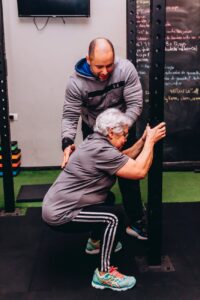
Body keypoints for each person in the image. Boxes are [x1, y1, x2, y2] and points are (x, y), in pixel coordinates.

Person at [42, 108, 166, 291]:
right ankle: (104, 274)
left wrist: (142, 140)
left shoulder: (95, 141)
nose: (125, 138)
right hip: (60, 213)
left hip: (57, 204)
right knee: (113, 218)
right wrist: (151, 142)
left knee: (107, 197)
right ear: (110, 133)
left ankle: (95, 242)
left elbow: (122, 158)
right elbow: (139, 171)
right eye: (124, 134)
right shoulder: (100, 149)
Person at [61, 37, 147, 239]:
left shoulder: (125, 69)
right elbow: (70, 115)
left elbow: (135, 104)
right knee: (95, 178)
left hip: (122, 126)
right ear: (88, 60)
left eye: (109, 65)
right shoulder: (76, 83)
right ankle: (97, 232)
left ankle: (135, 222)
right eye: (99, 66)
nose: (105, 72)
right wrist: (67, 142)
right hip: (93, 129)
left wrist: (119, 130)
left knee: (129, 176)